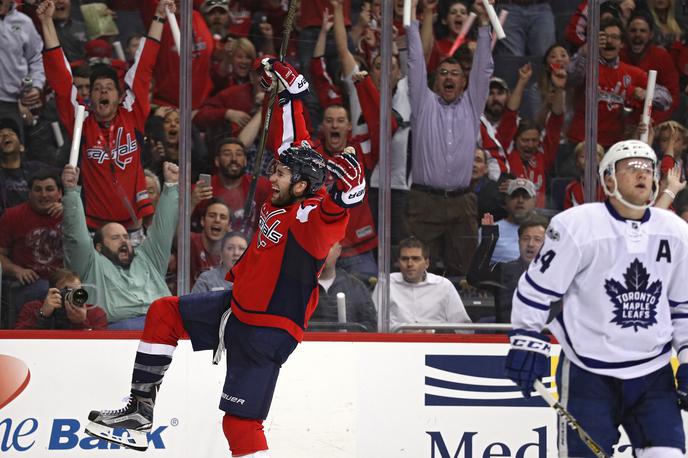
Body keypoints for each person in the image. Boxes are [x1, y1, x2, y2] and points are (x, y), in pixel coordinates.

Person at [84, 61, 366, 456]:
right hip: (236, 309)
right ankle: (139, 412)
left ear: (302, 185)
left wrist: (345, 196)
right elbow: (292, 143)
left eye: (282, 173)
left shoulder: (309, 217)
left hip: (267, 331)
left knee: (239, 423)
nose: (273, 175)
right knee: (164, 313)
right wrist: (291, 93)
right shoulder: (292, 189)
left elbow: (333, 219)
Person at [505, 140, 688, 457]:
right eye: (631, 167)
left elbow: (683, 305)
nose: (641, 173)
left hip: (652, 373)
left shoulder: (675, 231)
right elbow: (538, 288)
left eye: (647, 167)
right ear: (608, 180)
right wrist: (526, 338)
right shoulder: (577, 225)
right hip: (586, 372)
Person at [38, 0, 171, 232]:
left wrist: (159, 18)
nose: (103, 92)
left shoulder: (132, 114)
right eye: (97, 88)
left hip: (136, 224)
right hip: (94, 227)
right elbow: (60, 78)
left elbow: (144, 65)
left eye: (109, 87)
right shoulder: (81, 121)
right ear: (90, 95)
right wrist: (47, 22)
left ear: (120, 96)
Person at [405, 0, 493, 276]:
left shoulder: (472, 103)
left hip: (461, 202)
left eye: (455, 74)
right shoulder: (423, 102)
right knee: (413, 268)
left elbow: (483, 70)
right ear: (434, 82)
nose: (449, 77)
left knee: (466, 273)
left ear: (464, 82)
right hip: (424, 201)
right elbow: (415, 63)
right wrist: (413, 22)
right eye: (443, 73)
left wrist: (484, 24)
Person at [61, 161, 179, 330]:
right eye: (115, 237)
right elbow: (76, 238)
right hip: (119, 333)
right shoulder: (91, 264)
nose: (124, 240)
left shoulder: (148, 258)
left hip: (165, 326)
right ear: (99, 247)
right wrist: (71, 191)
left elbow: (164, 229)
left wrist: (172, 186)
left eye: (126, 236)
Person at [0, 169, 64, 323]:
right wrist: (17, 270)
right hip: (29, 285)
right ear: (29, 193)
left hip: (64, 281)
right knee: (41, 288)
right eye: (37, 190)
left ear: (60, 193)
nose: (43, 195)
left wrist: (71, 215)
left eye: (49, 189)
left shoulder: (71, 214)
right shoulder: (12, 215)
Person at [374, 237, 472, 331]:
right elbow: (373, 324)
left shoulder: (444, 286)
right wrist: (401, 331)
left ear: (427, 264)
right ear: (398, 263)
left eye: (415, 259)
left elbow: (464, 329)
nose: (409, 264)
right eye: (404, 259)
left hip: (436, 344)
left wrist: (434, 332)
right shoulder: (386, 283)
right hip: (395, 345)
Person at [467, 214, 548, 323]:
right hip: (507, 336)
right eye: (525, 239)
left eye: (537, 239)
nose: (530, 244)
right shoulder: (505, 270)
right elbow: (475, 278)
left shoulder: (557, 274)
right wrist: (489, 239)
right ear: (519, 242)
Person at [620, 10, 679, 123]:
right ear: (626, 33)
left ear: (651, 34)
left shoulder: (661, 56)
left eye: (643, 31)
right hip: (622, 122)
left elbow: (673, 97)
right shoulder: (619, 55)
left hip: (654, 121)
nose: (637, 35)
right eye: (633, 30)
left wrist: (653, 120)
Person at [0, 0, 45, 139]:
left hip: (14, 103)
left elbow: (36, 58)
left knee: (13, 153)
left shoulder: (24, 23)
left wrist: (36, 86)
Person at [310, 241, 378, 332]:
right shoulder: (299, 287)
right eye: (318, 247)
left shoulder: (356, 287)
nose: (322, 252)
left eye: (328, 247)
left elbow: (370, 327)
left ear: (338, 251)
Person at [14, 268, 107, 330]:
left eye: (76, 291)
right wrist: (43, 315)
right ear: (52, 292)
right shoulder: (32, 308)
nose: (72, 295)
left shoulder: (95, 313)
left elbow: (98, 348)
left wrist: (81, 322)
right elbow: (18, 341)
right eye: (67, 291)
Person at [0, 118, 52, 216]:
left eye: (11, 133)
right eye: (0, 135)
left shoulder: (36, 168)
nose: (5, 135)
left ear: (21, 146)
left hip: (37, 225)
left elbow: (64, 177)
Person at [487, 178, 537, 263]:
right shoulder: (491, 230)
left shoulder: (544, 231)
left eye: (525, 196)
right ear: (506, 200)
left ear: (534, 202)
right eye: (515, 196)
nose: (520, 201)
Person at [190, 198, 231, 286]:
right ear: (202, 221)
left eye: (223, 217)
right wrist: (192, 203)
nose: (217, 220)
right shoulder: (190, 241)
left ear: (229, 226)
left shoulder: (234, 249)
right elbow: (175, 234)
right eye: (212, 216)